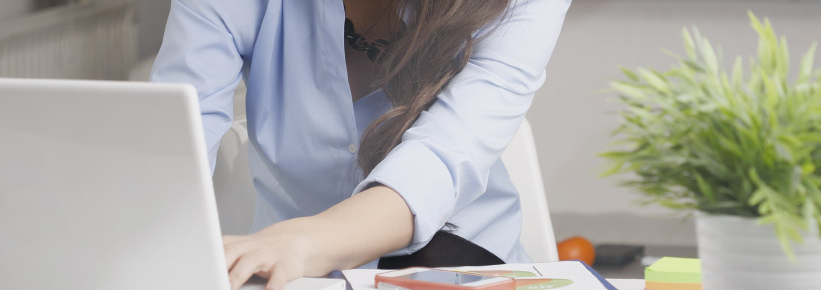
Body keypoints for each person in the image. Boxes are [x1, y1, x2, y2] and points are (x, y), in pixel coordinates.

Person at [150, 0, 570, 289]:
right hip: (284, 273)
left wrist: (303, 242)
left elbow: (442, 159)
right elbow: (173, 139)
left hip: (456, 261)